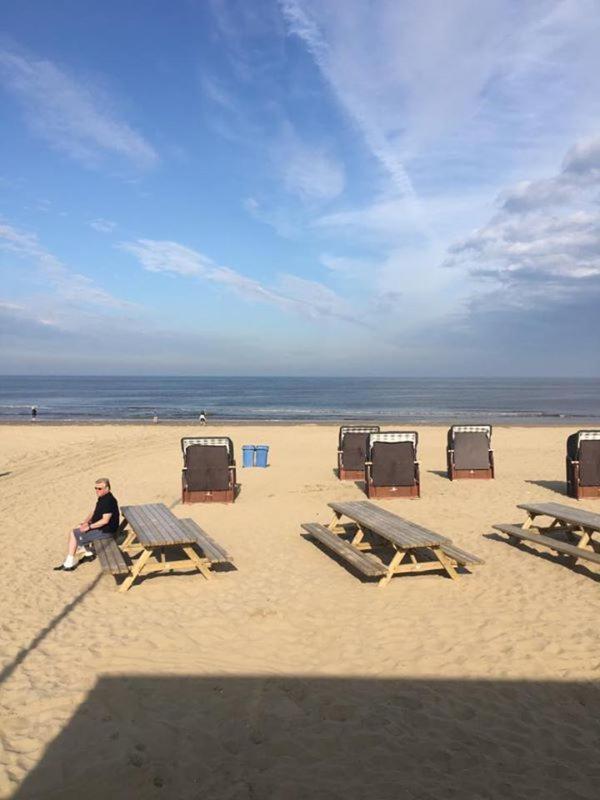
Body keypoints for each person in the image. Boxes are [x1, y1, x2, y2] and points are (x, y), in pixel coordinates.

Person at [53, 478, 120, 572]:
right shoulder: (102, 497)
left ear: (107, 488)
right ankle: (88, 553)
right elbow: (93, 511)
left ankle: (69, 563)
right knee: (78, 527)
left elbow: (105, 521)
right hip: (101, 528)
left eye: (99, 488)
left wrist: (89, 527)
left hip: (106, 531)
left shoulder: (108, 501)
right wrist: (85, 522)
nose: (97, 491)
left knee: (73, 533)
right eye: (95, 488)